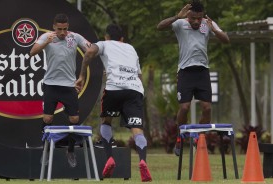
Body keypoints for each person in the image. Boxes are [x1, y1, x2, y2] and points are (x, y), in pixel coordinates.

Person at [75, 24, 152, 182]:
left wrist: (82, 75)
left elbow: (89, 51)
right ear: (122, 39)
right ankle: (143, 160)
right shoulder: (131, 48)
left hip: (114, 89)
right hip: (134, 90)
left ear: (106, 37)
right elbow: (139, 75)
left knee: (106, 121)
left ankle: (109, 157)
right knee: (137, 129)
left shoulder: (104, 44)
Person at [157, 0, 230, 156]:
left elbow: (226, 39)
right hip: (185, 72)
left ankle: (199, 138)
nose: (196, 21)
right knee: (184, 107)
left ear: (202, 15)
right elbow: (160, 26)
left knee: (207, 108)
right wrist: (177, 16)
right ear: (188, 15)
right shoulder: (180, 23)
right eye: (193, 18)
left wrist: (214, 31)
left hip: (203, 71)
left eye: (199, 18)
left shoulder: (207, 23)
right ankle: (180, 137)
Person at [30, 13, 91, 167]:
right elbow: (32, 52)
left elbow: (90, 49)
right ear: (54, 27)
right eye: (59, 29)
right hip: (51, 85)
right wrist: (46, 43)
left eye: (64, 29)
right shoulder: (47, 37)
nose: (62, 32)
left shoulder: (75, 37)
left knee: (74, 120)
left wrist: (84, 71)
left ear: (68, 27)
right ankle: (46, 151)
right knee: (47, 119)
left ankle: (70, 150)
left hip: (69, 86)